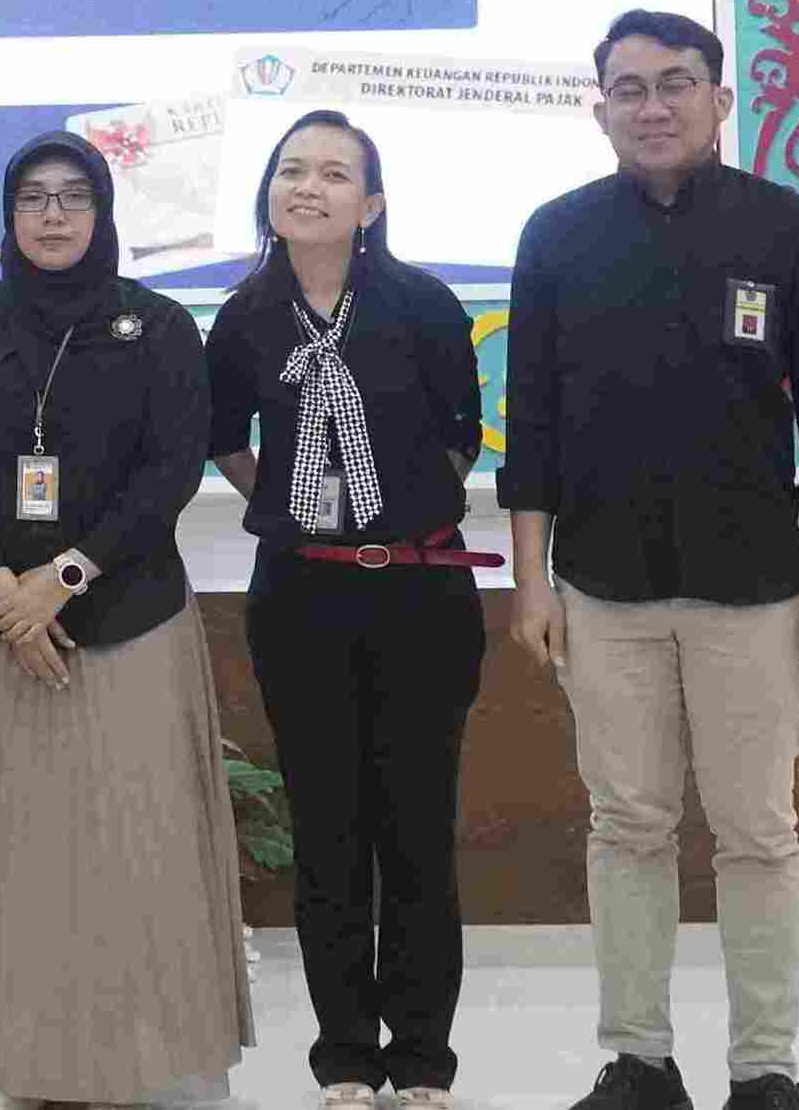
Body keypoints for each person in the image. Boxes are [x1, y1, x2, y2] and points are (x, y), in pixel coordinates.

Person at [503, 9, 799, 1110]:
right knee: (627, 825)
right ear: (599, 108)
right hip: (602, 585)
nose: (653, 105)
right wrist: (531, 580)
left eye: (675, 82)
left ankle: (765, 1069)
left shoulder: (785, 228)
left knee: (759, 830)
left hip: (752, 584)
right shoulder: (555, 235)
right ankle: (638, 1059)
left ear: (720, 99)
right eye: (629, 87)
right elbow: (532, 424)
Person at [0, 131, 251, 1109]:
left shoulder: (158, 327)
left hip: (126, 617)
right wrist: (3, 587)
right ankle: (17, 1060)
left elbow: (169, 468)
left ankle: (127, 1058)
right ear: (8, 214)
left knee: (125, 844)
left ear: (103, 211)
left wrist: (62, 575)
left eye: (73, 196)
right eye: (33, 197)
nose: (52, 215)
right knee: (8, 849)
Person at [206, 110, 495, 1110]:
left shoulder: (422, 303)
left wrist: (388, 514)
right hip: (302, 596)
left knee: (415, 829)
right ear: (268, 193)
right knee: (328, 834)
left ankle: (421, 1058)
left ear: (370, 203)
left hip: (418, 590)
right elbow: (224, 437)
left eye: (335, 173)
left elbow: (460, 435)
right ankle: (343, 1057)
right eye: (292, 169)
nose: (309, 186)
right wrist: (296, 513)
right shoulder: (245, 315)